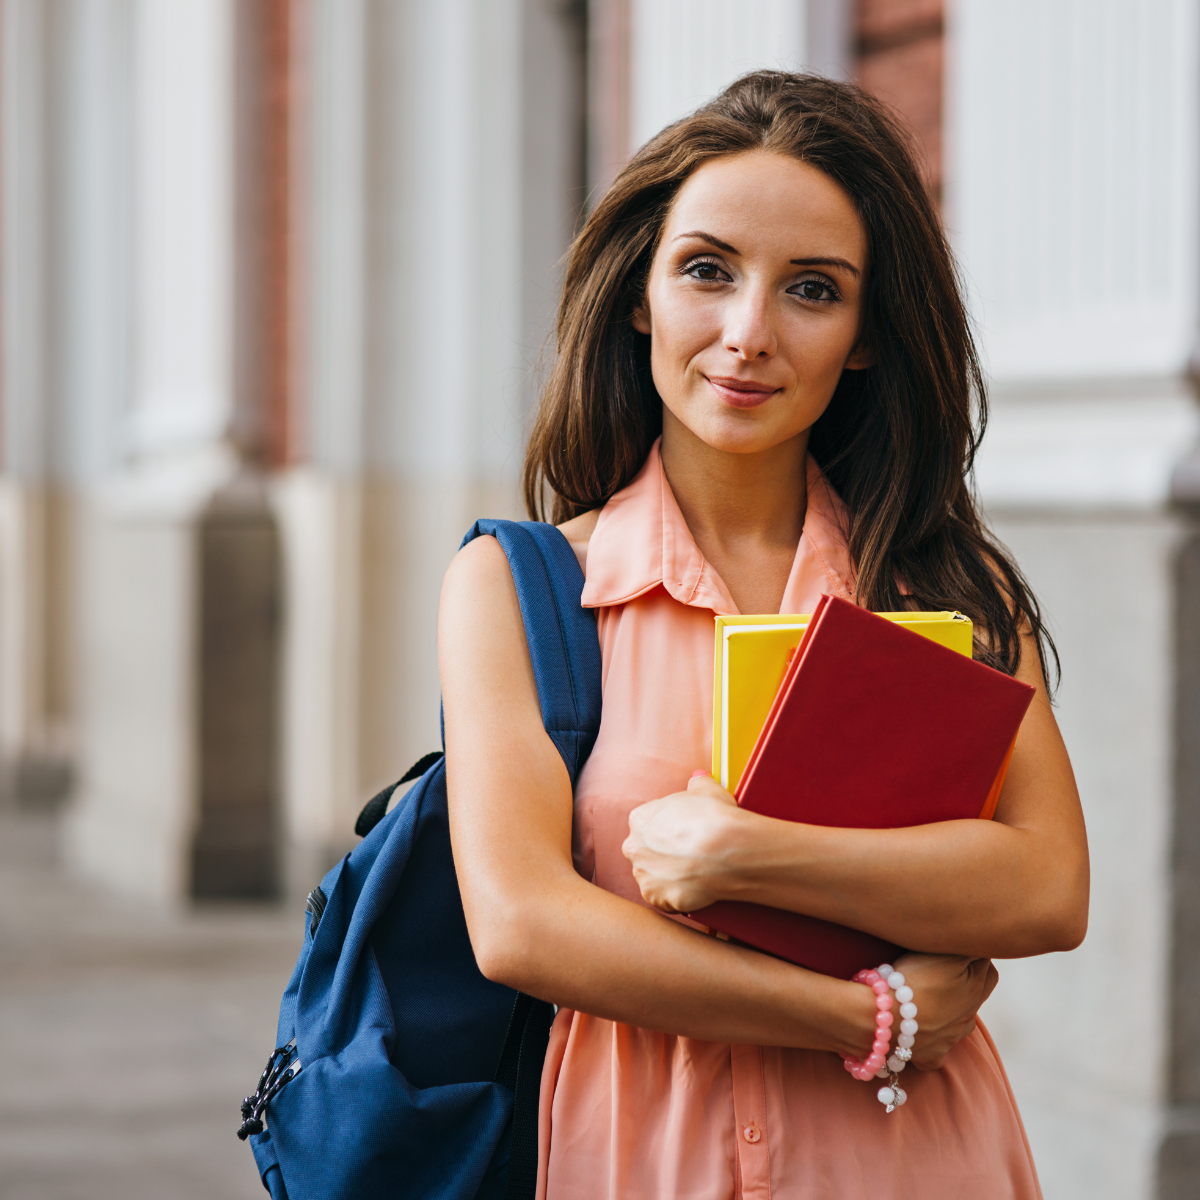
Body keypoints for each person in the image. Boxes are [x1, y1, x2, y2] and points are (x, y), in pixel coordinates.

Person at [438, 72, 1088, 1199]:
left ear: (869, 339)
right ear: (639, 292)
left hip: (914, 1161)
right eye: (707, 270)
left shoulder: (941, 587)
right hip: (642, 1156)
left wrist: (743, 856)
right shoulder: (522, 586)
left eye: (813, 291)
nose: (748, 335)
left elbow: (1044, 887)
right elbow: (522, 925)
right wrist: (862, 1013)